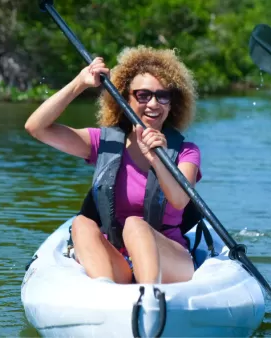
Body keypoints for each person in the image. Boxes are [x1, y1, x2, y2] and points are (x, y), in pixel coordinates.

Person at [24, 46, 201, 284]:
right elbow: (37, 128)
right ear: (125, 99)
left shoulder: (186, 151)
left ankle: (149, 299)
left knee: (135, 225)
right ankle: (108, 299)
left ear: (172, 104)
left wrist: (157, 159)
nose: (154, 104)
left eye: (163, 96)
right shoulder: (103, 143)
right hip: (118, 259)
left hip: (168, 259)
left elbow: (180, 199)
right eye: (143, 95)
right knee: (82, 224)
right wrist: (80, 83)